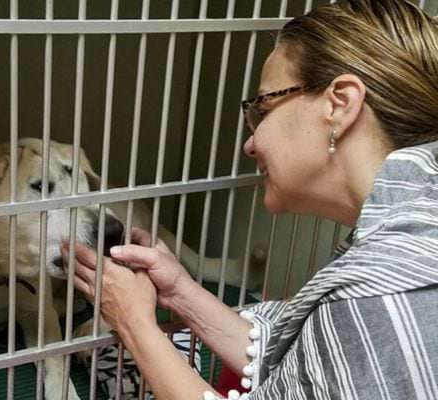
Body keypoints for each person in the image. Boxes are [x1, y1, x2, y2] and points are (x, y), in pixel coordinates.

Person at [61, 0, 438, 398]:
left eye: (263, 107)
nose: (250, 143)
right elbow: (306, 363)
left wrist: (134, 325)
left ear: (339, 104)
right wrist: (182, 293)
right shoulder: (408, 236)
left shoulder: (380, 297)